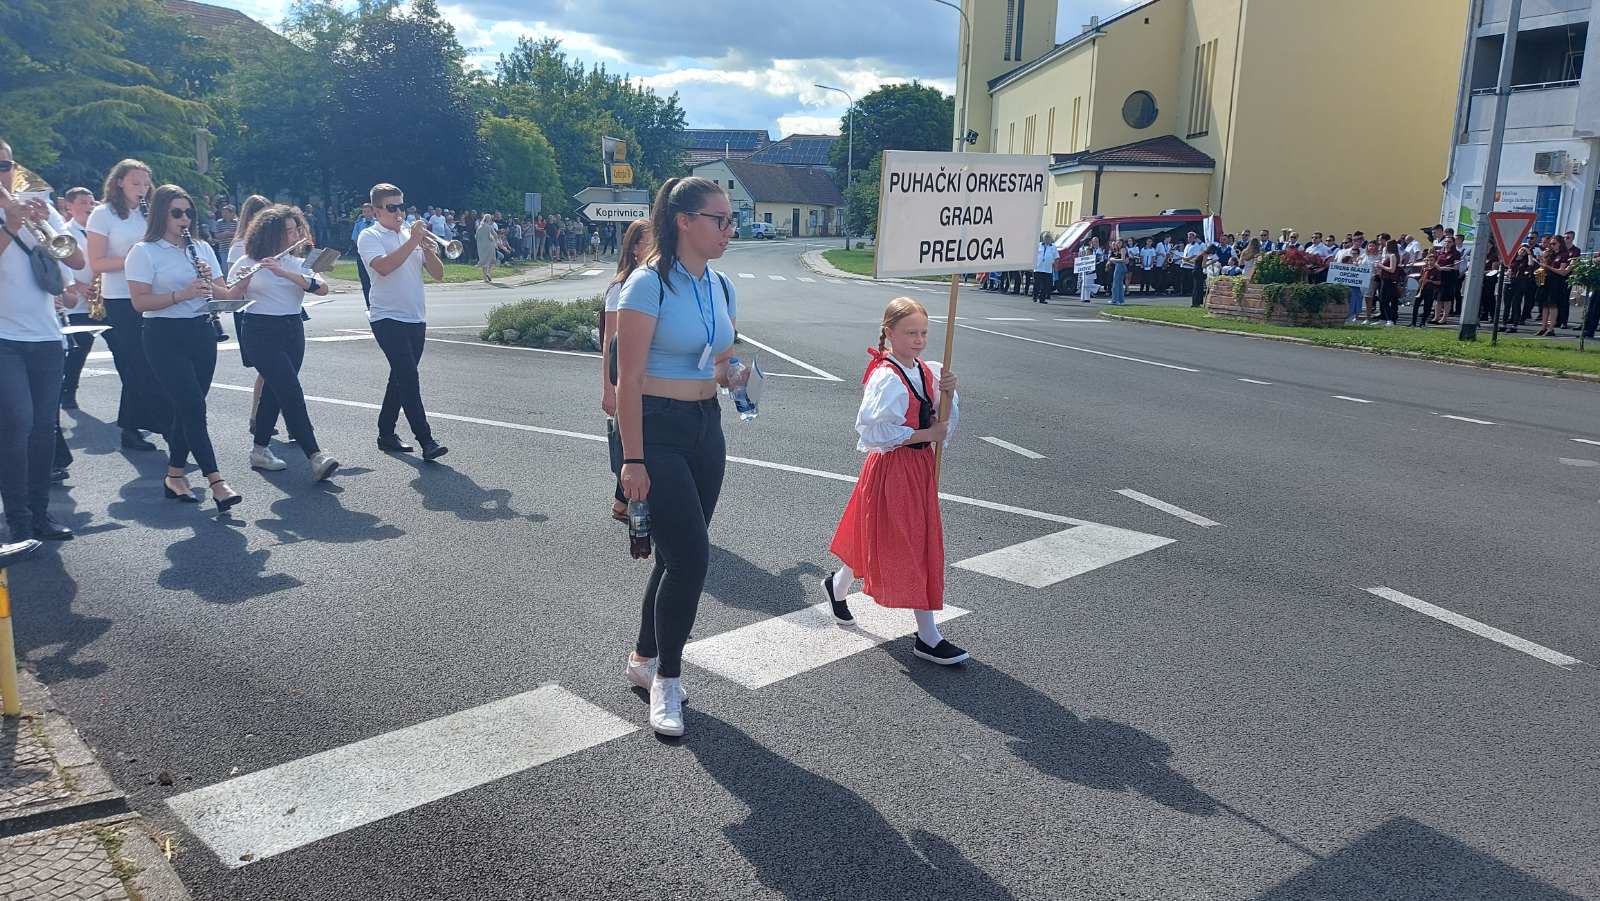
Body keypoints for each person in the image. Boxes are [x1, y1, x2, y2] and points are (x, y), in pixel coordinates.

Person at [615, 176, 737, 738]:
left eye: (730, 220)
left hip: (705, 427)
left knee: (673, 556)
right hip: (655, 432)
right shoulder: (648, 285)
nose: (728, 230)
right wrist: (632, 460)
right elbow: (629, 379)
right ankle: (667, 679)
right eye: (719, 219)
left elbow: (713, 362)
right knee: (692, 559)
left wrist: (735, 376)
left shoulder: (720, 285)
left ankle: (643, 657)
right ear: (684, 220)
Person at [823, 296, 965, 666]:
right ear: (890, 333)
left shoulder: (927, 371)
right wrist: (928, 433)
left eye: (923, 332)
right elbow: (874, 432)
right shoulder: (887, 376)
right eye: (910, 332)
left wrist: (946, 391)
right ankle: (928, 636)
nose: (918, 339)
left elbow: (942, 425)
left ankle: (836, 586)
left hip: (918, 469)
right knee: (910, 542)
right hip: (892, 468)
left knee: (878, 539)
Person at [124, 184, 249, 511]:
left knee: (188, 408)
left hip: (201, 333)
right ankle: (216, 481)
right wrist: (182, 294)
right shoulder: (144, 251)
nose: (184, 219)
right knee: (193, 405)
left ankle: (175, 474)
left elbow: (225, 295)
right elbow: (139, 303)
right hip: (163, 336)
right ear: (161, 214)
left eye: (188, 212)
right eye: (176, 212)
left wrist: (223, 282)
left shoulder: (203, 248)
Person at [0, 141, 87, 541]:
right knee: (15, 425)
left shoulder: (35, 205)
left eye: (6, 163)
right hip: (4, 337)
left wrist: (43, 221)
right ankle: (16, 519)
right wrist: (11, 226)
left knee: (43, 429)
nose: (3, 171)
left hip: (47, 336)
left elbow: (75, 262)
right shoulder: (11, 217)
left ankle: (39, 514)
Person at [233, 205, 339, 481]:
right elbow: (230, 296)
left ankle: (259, 450)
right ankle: (315, 455)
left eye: (296, 230)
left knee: (275, 391)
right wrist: (225, 286)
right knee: (290, 391)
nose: (294, 236)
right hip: (259, 331)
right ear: (269, 235)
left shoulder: (298, 264)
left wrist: (284, 272)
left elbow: (322, 288)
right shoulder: (246, 262)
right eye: (287, 231)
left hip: (292, 330)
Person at [358, 184, 448, 460]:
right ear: (376, 211)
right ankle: (426, 440)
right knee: (409, 377)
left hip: (415, 315)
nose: (399, 213)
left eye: (401, 207)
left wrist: (429, 250)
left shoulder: (411, 235)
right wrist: (412, 242)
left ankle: (386, 433)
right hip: (386, 316)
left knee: (399, 377)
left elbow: (438, 274)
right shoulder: (369, 235)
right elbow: (384, 267)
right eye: (391, 208)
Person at [86, 158, 168, 452]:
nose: (142, 190)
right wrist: (135, 258)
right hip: (120, 298)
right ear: (119, 182)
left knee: (146, 361)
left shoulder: (149, 214)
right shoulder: (102, 214)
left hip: (150, 294)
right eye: (135, 183)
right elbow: (96, 262)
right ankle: (167, 426)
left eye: (146, 184)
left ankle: (130, 428)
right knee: (137, 362)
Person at [601, 219, 652, 523]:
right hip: (626, 380)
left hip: (650, 380)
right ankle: (627, 504)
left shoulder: (655, 282)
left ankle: (623, 503)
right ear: (635, 249)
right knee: (632, 444)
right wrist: (609, 388)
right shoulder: (621, 287)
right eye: (650, 242)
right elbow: (610, 340)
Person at [58, 187, 98, 412]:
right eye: (83, 202)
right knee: (79, 350)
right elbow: (62, 267)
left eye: (91, 201)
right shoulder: (63, 231)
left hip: (102, 299)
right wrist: (81, 287)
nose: (88, 206)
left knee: (123, 349)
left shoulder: (99, 230)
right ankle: (68, 391)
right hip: (78, 301)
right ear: (69, 207)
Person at [1536, 235, 1573, 337]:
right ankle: (1543, 327)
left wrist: (1547, 266)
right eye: (1551, 244)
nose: (1551, 246)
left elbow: (1562, 272)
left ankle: (1551, 328)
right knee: (1544, 304)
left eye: (1554, 243)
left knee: (1553, 304)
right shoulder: (1550, 254)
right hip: (1546, 280)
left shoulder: (1564, 255)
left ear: (1560, 244)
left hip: (1556, 281)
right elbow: (1542, 266)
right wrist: (1542, 260)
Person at [350, 203, 376, 303]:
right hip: (362, 256)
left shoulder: (377, 223)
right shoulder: (359, 224)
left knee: (375, 281)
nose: (366, 214)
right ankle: (369, 304)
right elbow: (355, 238)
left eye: (368, 211)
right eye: (364, 212)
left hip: (375, 254)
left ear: (373, 211)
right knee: (365, 281)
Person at [1374, 239, 1402, 326]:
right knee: (1383, 299)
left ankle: (1389, 319)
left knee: (1385, 300)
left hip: (1389, 280)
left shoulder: (1392, 256)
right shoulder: (1388, 255)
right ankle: (1384, 318)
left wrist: (1381, 266)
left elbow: (1392, 269)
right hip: (1384, 279)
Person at [1031, 233, 1055, 304]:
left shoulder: (1053, 247)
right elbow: (1033, 255)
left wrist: (1055, 266)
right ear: (1043, 239)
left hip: (1048, 269)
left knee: (1046, 285)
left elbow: (1056, 257)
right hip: (1038, 268)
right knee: (1037, 284)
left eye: (1048, 238)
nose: (1047, 239)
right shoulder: (1038, 245)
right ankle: (1035, 296)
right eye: (1046, 238)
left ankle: (1042, 299)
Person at [475, 213, 498, 283]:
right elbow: (495, 234)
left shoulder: (479, 227)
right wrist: (495, 241)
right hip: (489, 245)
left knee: (484, 261)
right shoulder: (489, 227)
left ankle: (484, 277)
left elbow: (476, 237)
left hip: (481, 246)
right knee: (492, 260)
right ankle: (488, 272)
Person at [1109, 239, 1129, 305]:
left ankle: (1115, 300)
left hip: (1120, 266)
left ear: (1122, 243)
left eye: (1120, 242)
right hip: (1119, 266)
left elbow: (1123, 259)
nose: (1118, 244)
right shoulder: (1118, 250)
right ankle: (1121, 300)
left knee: (1116, 283)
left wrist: (1114, 259)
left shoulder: (1123, 249)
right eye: (1117, 243)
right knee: (1119, 284)